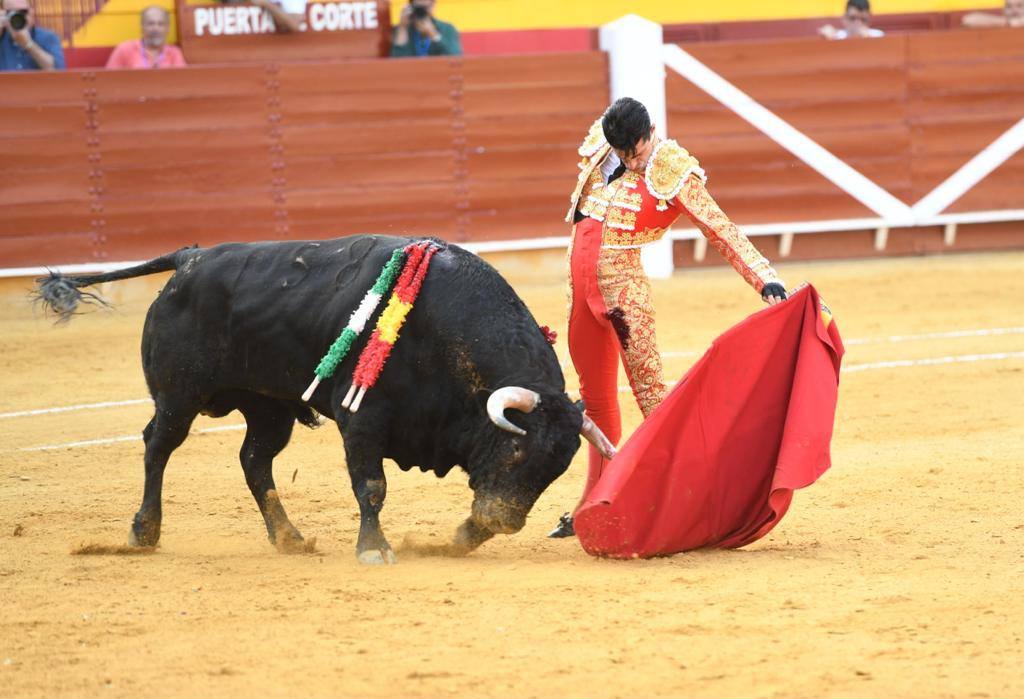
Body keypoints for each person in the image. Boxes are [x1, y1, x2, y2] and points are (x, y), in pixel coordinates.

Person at [548, 97, 787, 538]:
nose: (626, 160)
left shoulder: (673, 168)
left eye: (633, 152)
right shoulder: (606, 148)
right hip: (580, 294)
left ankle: (692, 502)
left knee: (654, 402)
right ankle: (591, 505)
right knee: (595, 403)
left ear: (649, 132)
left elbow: (720, 228)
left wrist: (764, 279)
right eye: (620, 151)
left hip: (624, 298)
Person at [105, 6, 186, 70]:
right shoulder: (124, 49)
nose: (156, 28)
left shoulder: (174, 54)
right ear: (142, 27)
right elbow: (109, 80)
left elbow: (182, 83)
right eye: (151, 24)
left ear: (167, 29)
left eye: (160, 24)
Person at [0, 0, 64, 71]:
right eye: (11, 13)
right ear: (3, 15)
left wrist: (28, 44)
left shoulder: (48, 37)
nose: (18, 17)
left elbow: (58, 71)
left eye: (23, 12)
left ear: (32, 13)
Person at [390, 0, 461, 57]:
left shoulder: (447, 29)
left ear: (433, 5)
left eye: (426, 8)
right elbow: (397, 62)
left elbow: (456, 57)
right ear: (411, 8)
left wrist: (434, 35)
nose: (422, 12)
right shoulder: (400, 30)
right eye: (419, 8)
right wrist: (403, 28)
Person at [818, 0, 885, 40]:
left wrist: (868, 39)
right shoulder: (837, 36)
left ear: (869, 19)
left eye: (863, 19)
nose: (858, 23)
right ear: (844, 18)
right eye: (852, 18)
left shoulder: (877, 35)